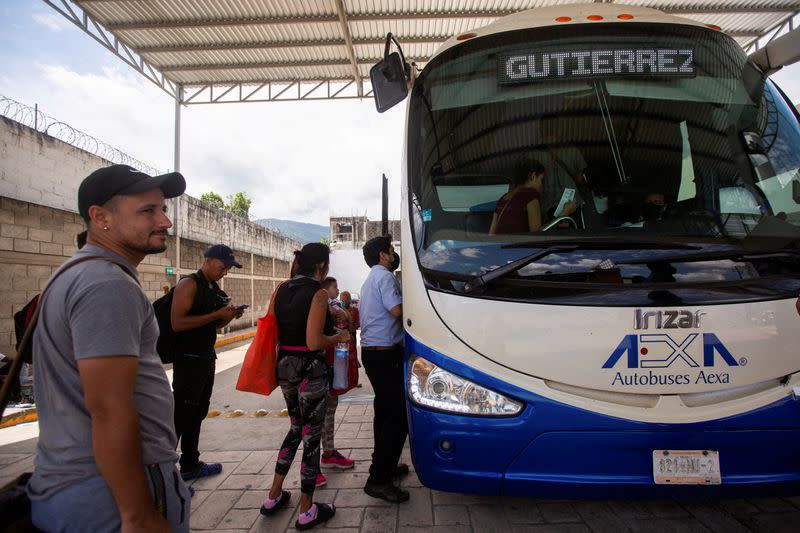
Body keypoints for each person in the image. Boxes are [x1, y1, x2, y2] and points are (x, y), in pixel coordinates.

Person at [27, 164, 190, 532]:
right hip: (109, 495)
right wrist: (138, 514)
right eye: (148, 211)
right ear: (100, 217)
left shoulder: (76, 272)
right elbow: (110, 408)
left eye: (163, 209)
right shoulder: (106, 284)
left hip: (81, 488)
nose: (165, 221)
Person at [261, 243, 349, 530]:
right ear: (321, 265)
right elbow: (313, 341)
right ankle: (307, 509)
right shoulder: (319, 293)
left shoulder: (282, 288)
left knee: (295, 429)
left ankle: (274, 496)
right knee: (312, 438)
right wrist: (339, 337)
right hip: (310, 371)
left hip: (284, 367)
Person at [170, 244, 244, 481]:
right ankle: (162, 470)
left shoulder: (212, 287)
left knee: (198, 412)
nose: (225, 272)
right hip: (188, 359)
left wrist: (227, 317)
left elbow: (210, 325)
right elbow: (178, 323)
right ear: (209, 260)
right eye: (223, 267)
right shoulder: (188, 284)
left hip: (205, 357)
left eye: (228, 269)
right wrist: (215, 315)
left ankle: (190, 463)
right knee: (180, 414)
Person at [359, 235, 410, 503]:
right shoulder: (386, 277)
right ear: (383, 255)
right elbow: (396, 311)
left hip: (374, 354)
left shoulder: (370, 279)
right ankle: (378, 480)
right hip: (385, 354)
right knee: (397, 416)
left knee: (384, 413)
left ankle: (384, 465)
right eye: (391, 251)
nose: (393, 254)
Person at [318, 277, 356, 475]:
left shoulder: (326, 303)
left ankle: (328, 451)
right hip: (323, 364)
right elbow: (344, 316)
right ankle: (326, 454)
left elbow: (346, 316)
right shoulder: (326, 303)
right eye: (334, 287)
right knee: (326, 411)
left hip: (326, 363)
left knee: (328, 410)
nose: (337, 290)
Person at [490, 160, 576, 234]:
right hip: (519, 250)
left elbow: (491, 235)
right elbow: (536, 235)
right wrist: (565, 212)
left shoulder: (504, 198)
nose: (542, 186)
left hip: (500, 250)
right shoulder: (531, 194)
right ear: (533, 176)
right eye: (541, 180)